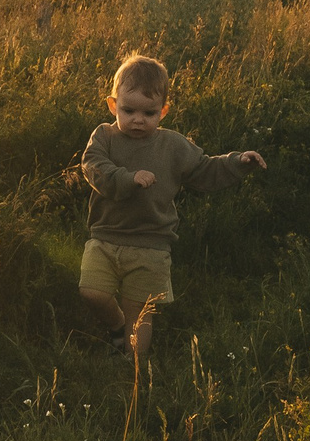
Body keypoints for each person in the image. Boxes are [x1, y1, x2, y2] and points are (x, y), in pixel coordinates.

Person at [79, 53, 264, 359]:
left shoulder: (173, 145)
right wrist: (128, 178)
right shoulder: (105, 137)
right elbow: (93, 167)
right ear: (113, 105)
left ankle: (132, 368)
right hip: (105, 237)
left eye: (149, 112)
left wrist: (238, 162)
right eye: (128, 110)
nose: (138, 119)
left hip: (152, 243)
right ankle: (117, 327)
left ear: (163, 110)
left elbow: (204, 169)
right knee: (92, 292)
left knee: (139, 310)